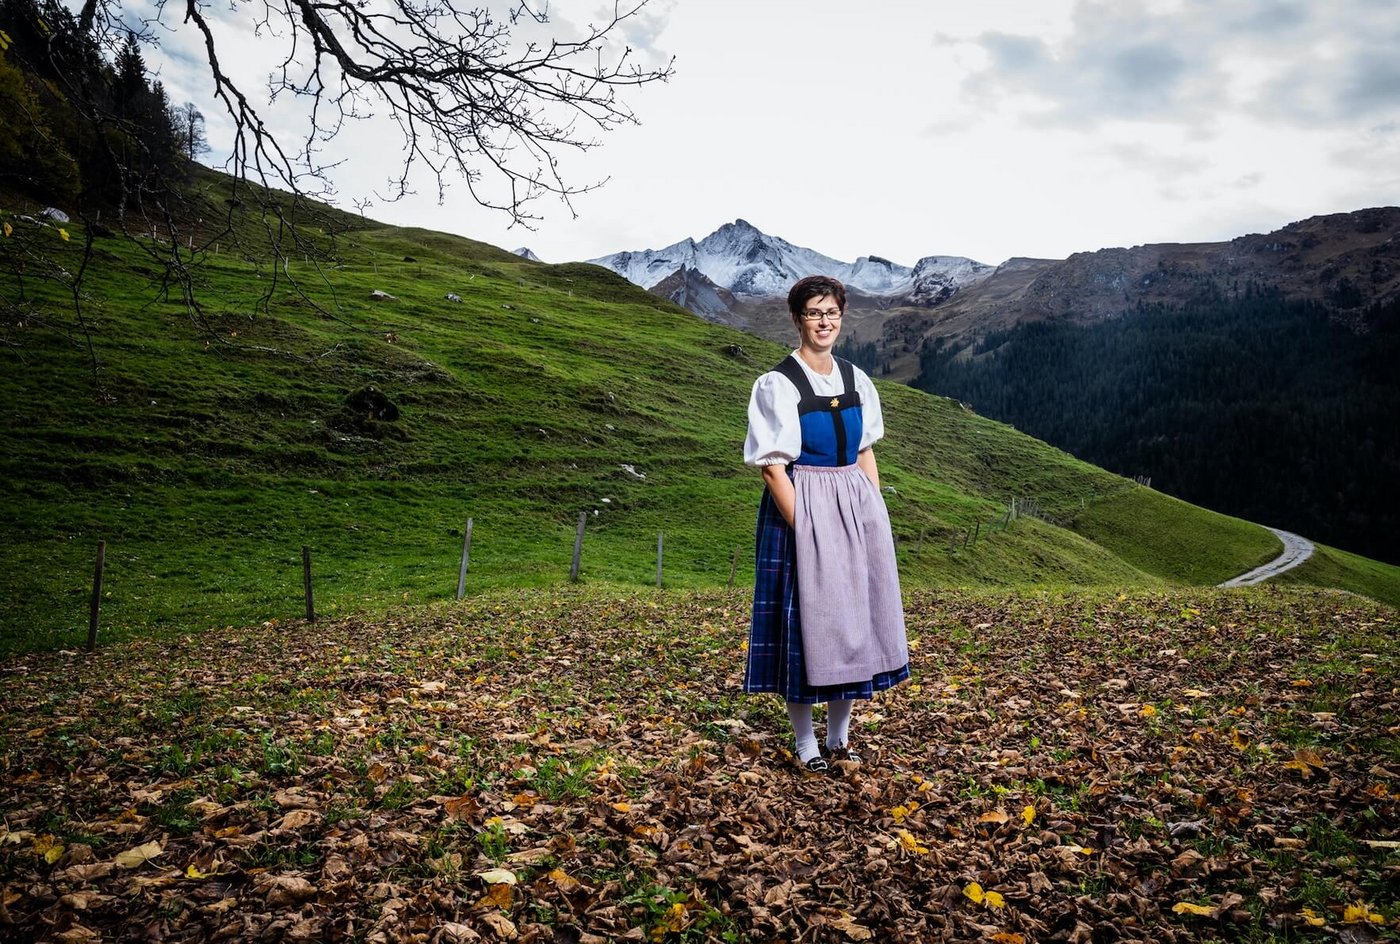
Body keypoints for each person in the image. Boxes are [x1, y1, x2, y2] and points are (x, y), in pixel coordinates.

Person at [742, 274, 910, 774]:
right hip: (803, 505)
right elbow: (774, 467)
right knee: (806, 624)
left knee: (852, 620)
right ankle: (805, 741)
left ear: (841, 316)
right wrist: (809, 531)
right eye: (815, 313)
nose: (824, 322)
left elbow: (864, 451)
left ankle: (839, 737)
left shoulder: (857, 379)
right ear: (799, 318)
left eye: (831, 312)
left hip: (853, 506)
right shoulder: (777, 383)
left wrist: (873, 513)